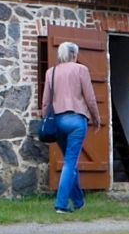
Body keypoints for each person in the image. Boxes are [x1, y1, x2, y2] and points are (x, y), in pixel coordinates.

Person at [41, 41, 102, 214]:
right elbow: (90, 98)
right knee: (70, 162)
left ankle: (79, 202)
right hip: (76, 121)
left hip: (58, 121)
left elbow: (45, 101)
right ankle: (61, 204)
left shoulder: (50, 72)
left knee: (71, 163)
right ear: (75, 54)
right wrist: (96, 118)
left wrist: (45, 119)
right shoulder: (81, 69)